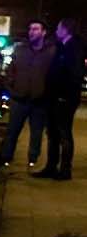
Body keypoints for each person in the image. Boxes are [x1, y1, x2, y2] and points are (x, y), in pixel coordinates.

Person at [1, 19, 54, 169]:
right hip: (19, 98)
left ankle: (33, 159)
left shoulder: (51, 52)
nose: (32, 32)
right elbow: (10, 70)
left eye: (36, 29)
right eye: (31, 29)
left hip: (39, 100)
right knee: (12, 130)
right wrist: (11, 88)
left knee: (36, 133)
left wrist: (47, 93)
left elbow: (54, 74)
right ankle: (6, 158)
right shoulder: (20, 49)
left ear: (43, 32)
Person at [36, 17, 84, 181]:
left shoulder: (74, 49)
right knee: (53, 133)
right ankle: (51, 166)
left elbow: (74, 75)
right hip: (55, 98)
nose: (56, 32)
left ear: (65, 30)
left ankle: (64, 169)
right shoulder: (62, 47)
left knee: (63, 132)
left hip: (64, 99)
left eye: (58, 28)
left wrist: (64, 95)